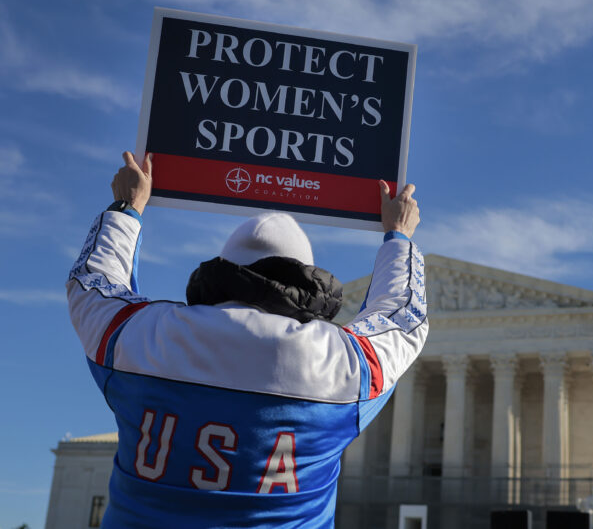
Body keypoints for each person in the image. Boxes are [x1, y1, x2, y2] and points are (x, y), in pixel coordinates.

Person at [66, 152, 427, 528]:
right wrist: (398, 234)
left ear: (221, 272)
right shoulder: (339, 365)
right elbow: (402, 315)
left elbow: (91, 284)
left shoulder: (144, 336)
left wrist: (127, 206)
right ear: (307, 285)